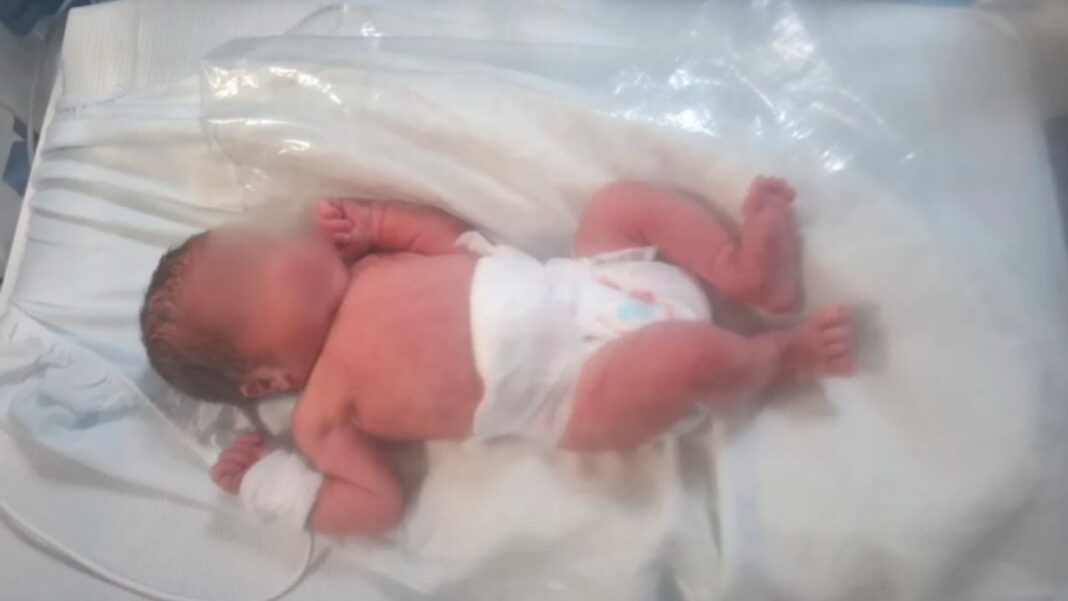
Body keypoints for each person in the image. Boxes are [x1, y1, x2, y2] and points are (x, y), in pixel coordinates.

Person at [140, 176, 852, 535]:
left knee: (619, 203)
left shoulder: (371, 269)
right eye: (259, 264)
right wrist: (272, 483)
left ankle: (742, 272)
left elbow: (455, 242)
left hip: (589, 279)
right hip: (579, 391)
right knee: (683, 359)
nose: (281, 239)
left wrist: (379, 221)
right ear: (267, 376)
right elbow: (375, 504)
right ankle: (775, 360)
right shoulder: (322, 414)